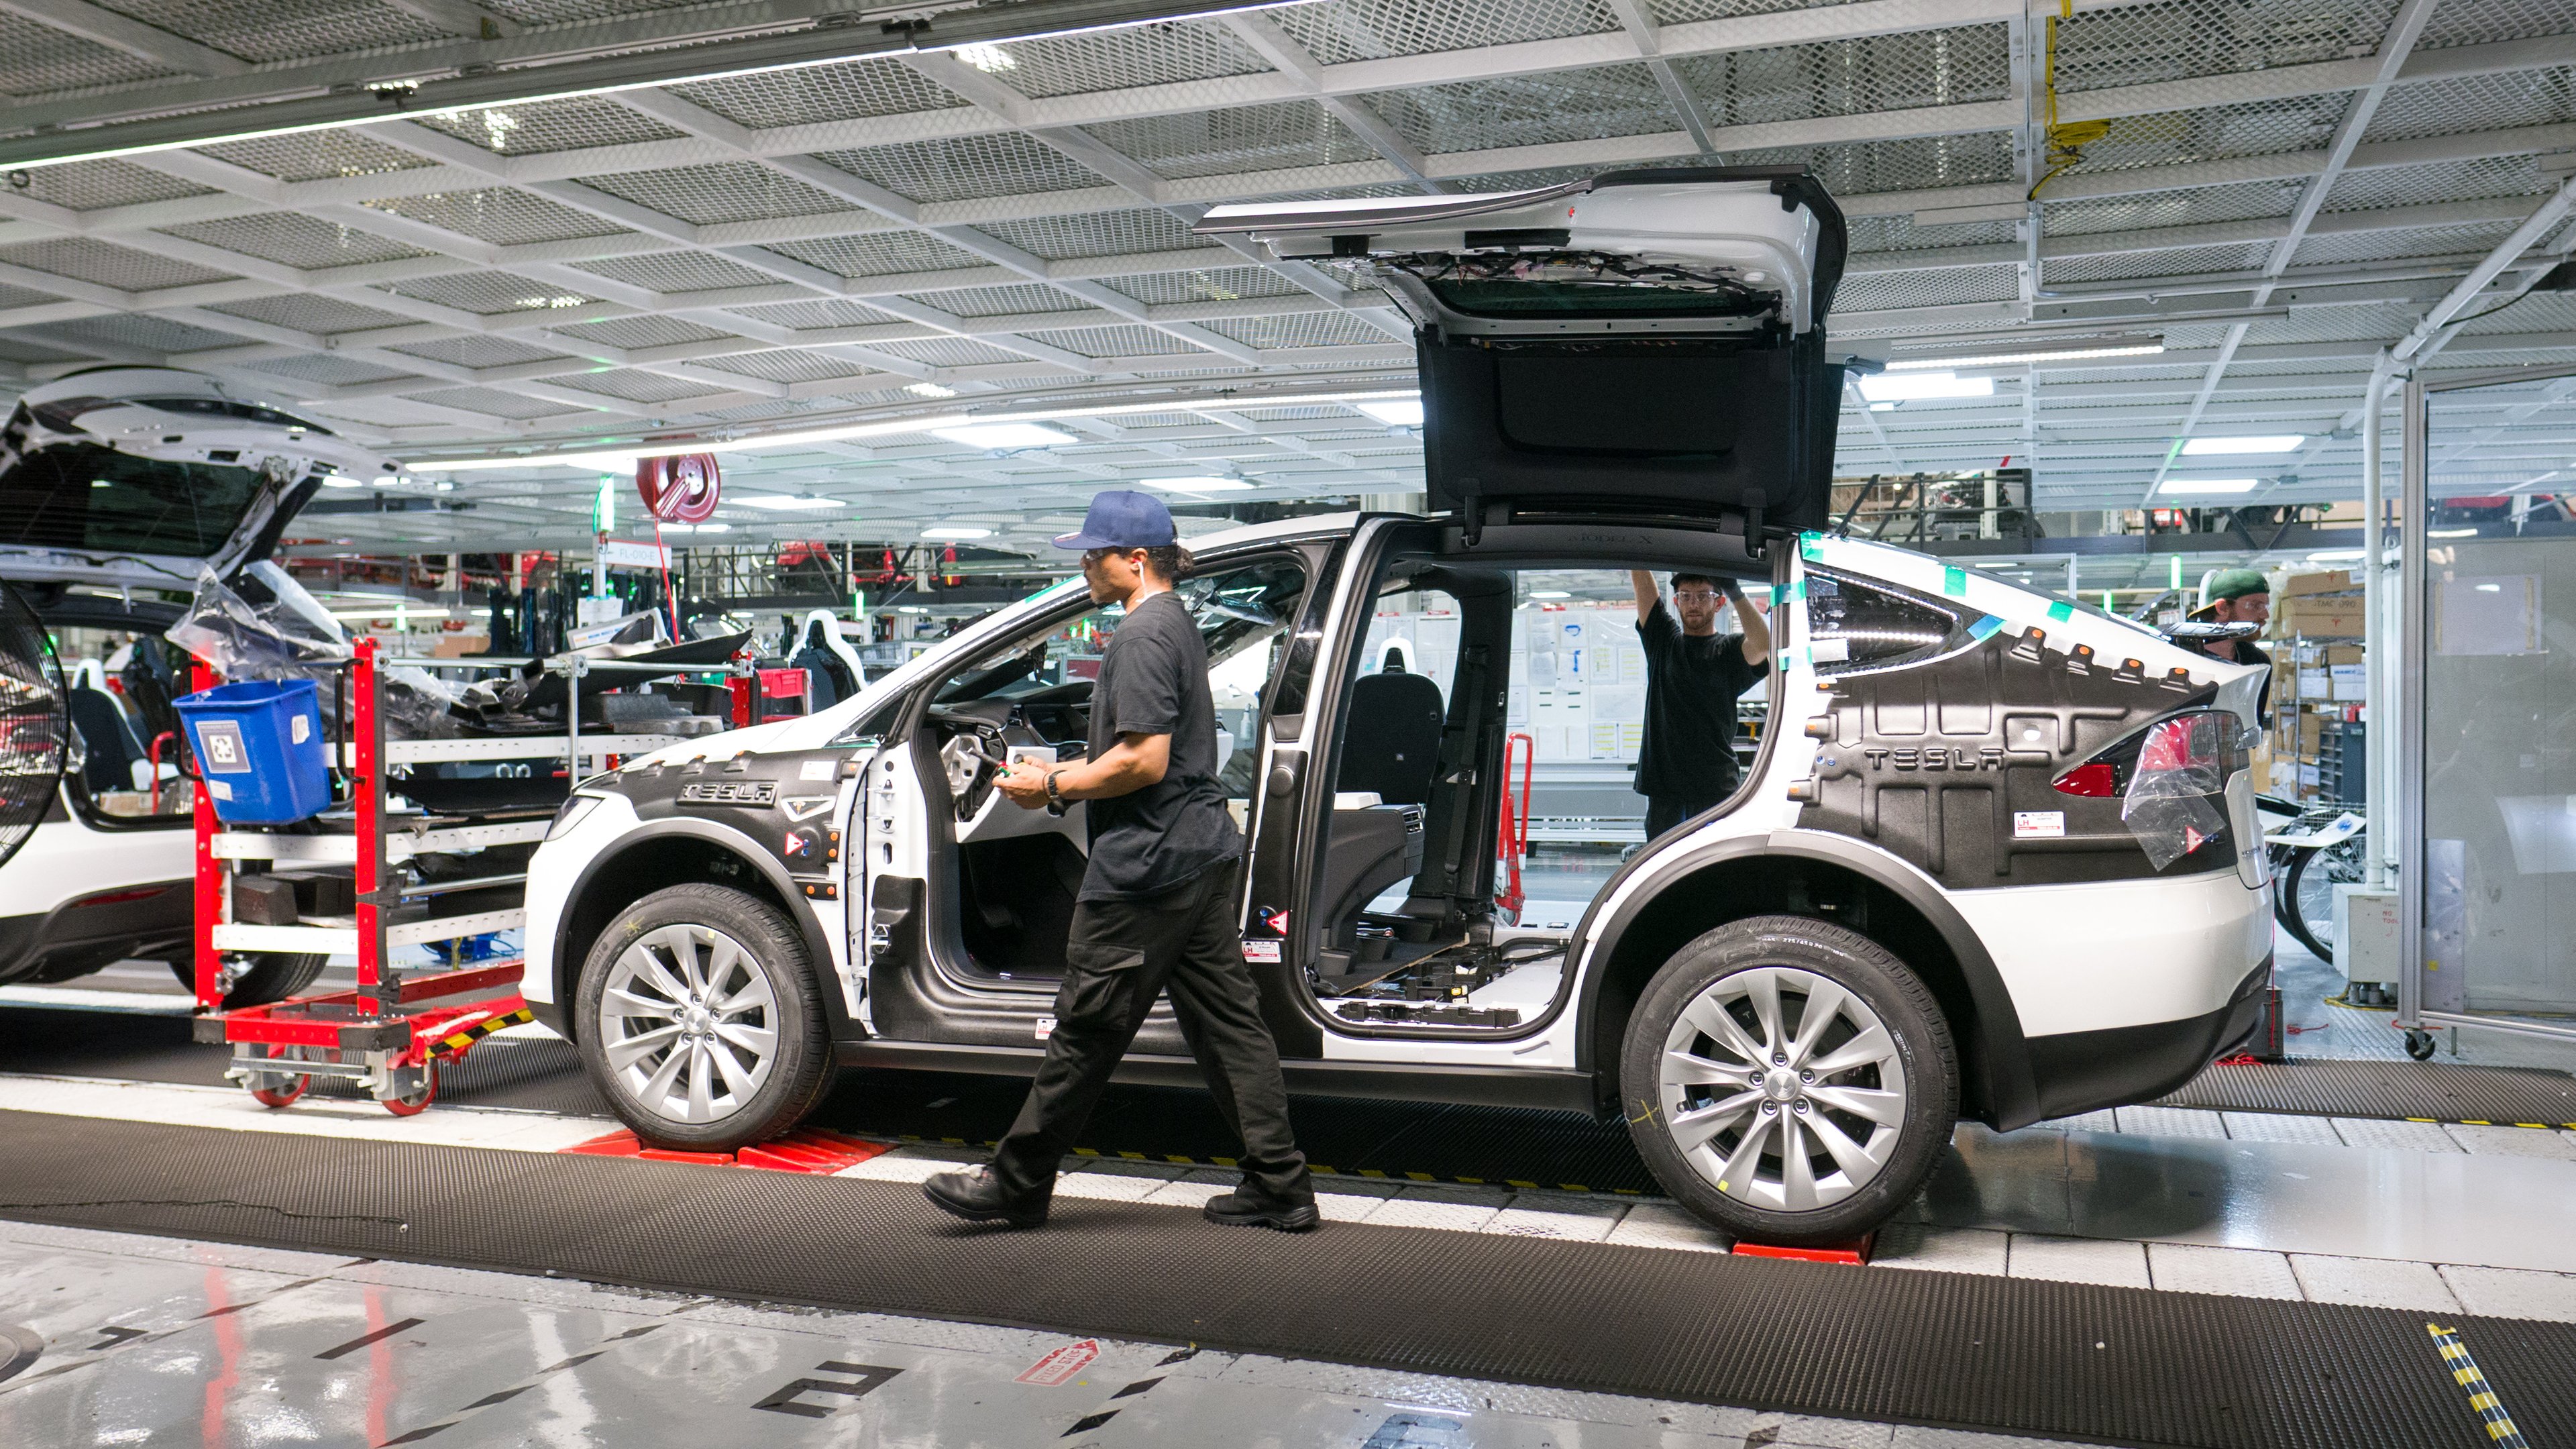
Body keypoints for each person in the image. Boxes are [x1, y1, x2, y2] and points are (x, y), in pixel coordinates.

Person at [923, 490, 1317, 1233]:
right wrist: (1078, 765)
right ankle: (1280, 1185)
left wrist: (1051, 784)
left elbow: (1141, 761)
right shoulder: (1178, 626)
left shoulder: (1140, 636)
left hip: (1148, 866)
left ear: (1136, 561)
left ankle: (1017, 1183)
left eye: (1094, 553)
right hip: (1197, 855)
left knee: (1086, 1029)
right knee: (1231, 1028)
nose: (1083, 565)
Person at [1628, 570, 1771, 841]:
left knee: (1712, 870)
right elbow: (1641, 580)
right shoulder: (1663, 641)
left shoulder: (1729, 650)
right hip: (1665, 789)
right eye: (1686, 596)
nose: (1693, 603)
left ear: (1719, 603)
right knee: (1664, 873)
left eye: (1703, 596)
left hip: (1714, 789)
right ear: (1676, 602)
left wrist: (1736, 593)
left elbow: (1763, 645)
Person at [2187, 568, 2273, 724]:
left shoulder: (2257, 662)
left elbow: (2252, 725)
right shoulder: (2182, 656)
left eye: (2265, 607)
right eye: (2255, 606)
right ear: (2223, 608)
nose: (2265, 616)